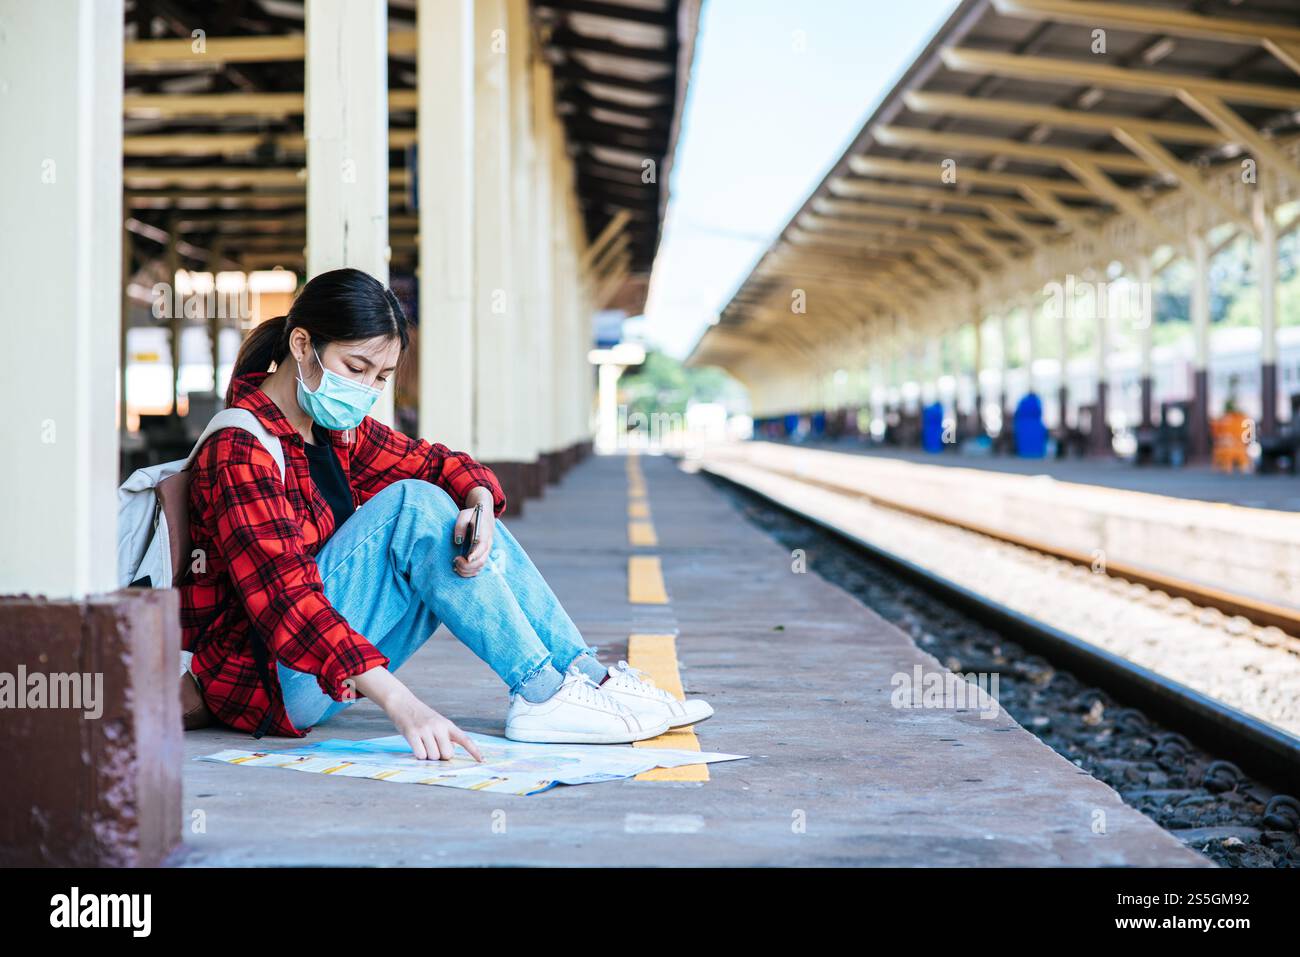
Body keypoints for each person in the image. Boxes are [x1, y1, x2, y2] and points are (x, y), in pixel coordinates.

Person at [182, 267, 712, 761]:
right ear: (303, 345)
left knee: (457, 514)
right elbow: (284, 601)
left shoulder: (335, 431)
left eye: (381, 378)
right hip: (273, 680)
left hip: (327, 674)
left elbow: (440, 464)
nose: (365, 391)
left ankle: (584, 679)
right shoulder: (241, 446)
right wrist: (403, 705)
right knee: (415, 506)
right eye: (355, 368)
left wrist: (480, 504)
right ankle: (541, 693)